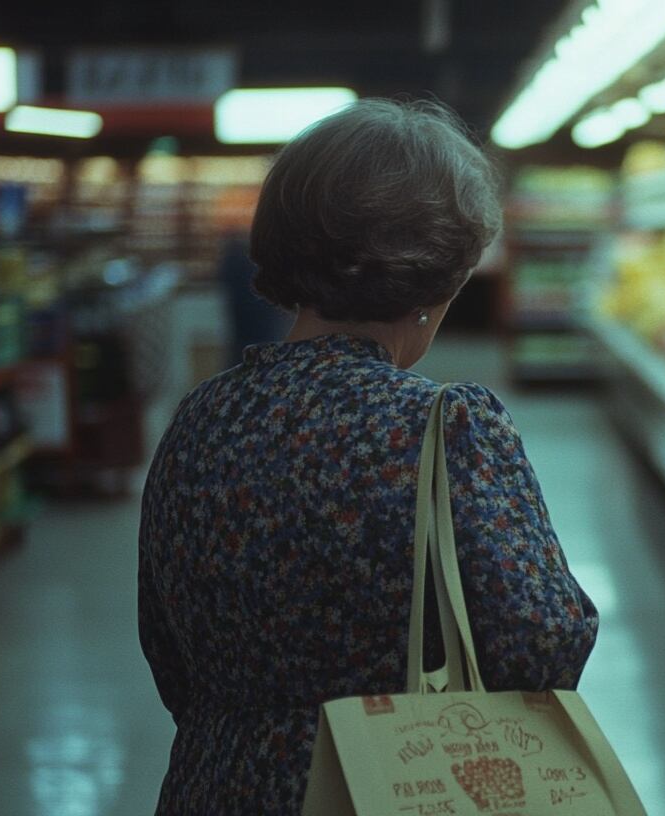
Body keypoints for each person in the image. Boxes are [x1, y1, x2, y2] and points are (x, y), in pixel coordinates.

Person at [137, 98, 599, 814]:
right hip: (399, 783)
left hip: (217, 782)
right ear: (435, 277)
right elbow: (543, 642)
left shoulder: (200, 418)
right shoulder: (445, 429)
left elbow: (166, 647)